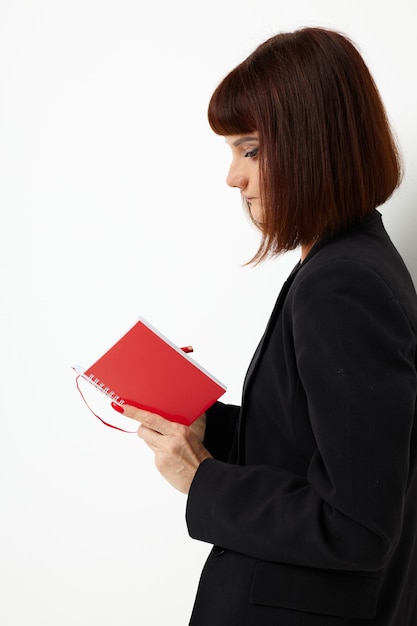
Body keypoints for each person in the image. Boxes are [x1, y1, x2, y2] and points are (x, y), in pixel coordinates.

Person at [120, 27, 417, 625]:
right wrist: (210, 426)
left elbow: (358, 526)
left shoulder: (344, 283)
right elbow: (318, 452)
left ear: (317, 145)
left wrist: (202, 481)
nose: (233, 177)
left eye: (250, 150)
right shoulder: (342, 262)